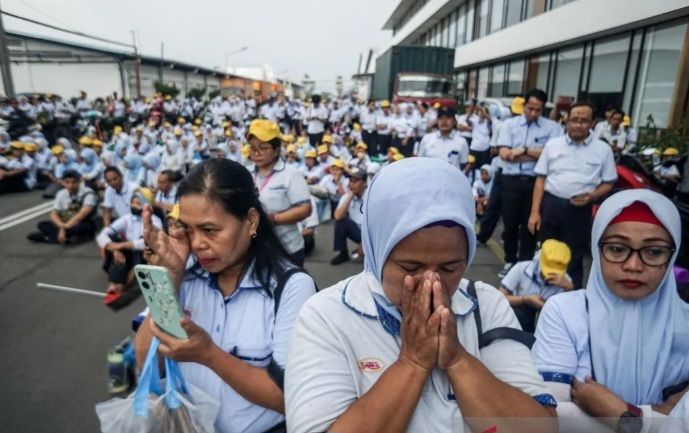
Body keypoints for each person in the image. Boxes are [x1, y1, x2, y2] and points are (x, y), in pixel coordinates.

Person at [285, 157, 557, 433]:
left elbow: (540, 427)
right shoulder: (326, 316)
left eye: (450, 267)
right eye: (411, 267)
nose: (430, 281)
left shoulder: (485, 305)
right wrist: (412, 363)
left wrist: (458, 360)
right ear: (377, 250)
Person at [136, 158, 317, 433]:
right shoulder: (186, 276)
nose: (197, 243)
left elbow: (289, 397)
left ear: (251, 221)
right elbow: (145, 359)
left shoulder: (291, 288)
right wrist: (170, 277)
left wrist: (209, 354)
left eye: (210, 230)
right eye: (188, 229)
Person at [532, 190, 688, 433]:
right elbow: (547, 418)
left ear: (672, 256)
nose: (633, 265)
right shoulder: (565, 312)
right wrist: (664, 415)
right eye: (617, 248)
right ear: (596, 248)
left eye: (654, 252)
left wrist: (621, 415)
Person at [529, 102, 617, 289]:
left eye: (584, 120)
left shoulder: (603, 150)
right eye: (574, 120)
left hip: (580, 209)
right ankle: (542, 294)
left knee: (574, 256)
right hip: (551, 205)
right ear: (566, 121)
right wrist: (534, 213)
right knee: (547, 251)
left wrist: (592, 196)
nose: (578, 124)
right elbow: (540, 180)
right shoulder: (553, 145)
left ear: (592, 123)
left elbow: (609, 182)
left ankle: (573, 296)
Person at [497, 88, 561, 278]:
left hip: (536, 182)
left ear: (543, 110)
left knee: (531, 225)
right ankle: (510, 260)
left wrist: (523, 150)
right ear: (524, 105)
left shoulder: (552, 128)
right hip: (510, 181)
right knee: (509, 223)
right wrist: (535, 154)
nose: (533, 113)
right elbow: (504, 154)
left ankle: (524, 264)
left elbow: (551, 155)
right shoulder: (509, 125)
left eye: (538, 110)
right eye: (530, 108)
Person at [249, 119, 312, 267]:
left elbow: (305, 209)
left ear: (277, 149)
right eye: (252, 148)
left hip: (287, 248)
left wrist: (272, 218)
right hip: (254, 249)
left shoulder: (291, 174)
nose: (256, 153)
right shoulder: (246, 173)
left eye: (263, 147)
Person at [97, 188, 162, 305]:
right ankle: (115, 282)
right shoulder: (127, 218)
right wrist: (114, 248)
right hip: (127, 251)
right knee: (113, 244)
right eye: (133, 202)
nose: (134, 206)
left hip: (142, 252)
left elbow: (148, 243)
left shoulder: (156, 221)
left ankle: (124, 285)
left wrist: (123, 245)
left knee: (143, 252)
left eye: (138, 204)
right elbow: (103, 234)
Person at [498, 239, 573, 333]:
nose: (552, 275)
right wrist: (525, 300)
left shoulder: (566, 282)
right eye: (549, 270)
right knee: (519, 314)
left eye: (557, 272)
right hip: (520, 316)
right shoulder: (521, 268)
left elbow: (569, 316)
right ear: (539, 259)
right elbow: (499, 298)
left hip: (548, 322)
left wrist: (570, 289)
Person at [27, 169, 97, 244]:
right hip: (65, 222)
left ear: (79, 181)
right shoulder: (61, 193)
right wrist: (62, 227)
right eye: (67, 182)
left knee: (81, 228)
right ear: (63, 182)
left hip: (82, 222)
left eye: (74, 182)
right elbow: (53, 214)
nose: (71, 185)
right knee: (41, 224)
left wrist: (63, 229)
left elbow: (80, 216)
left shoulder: (88, 193)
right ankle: (66, 237)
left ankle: (47, 238)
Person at [330, 167, 367, 266]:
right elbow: (337, 216)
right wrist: (350, 196)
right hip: (357, 230)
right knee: (341, 221)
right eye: (350, 181)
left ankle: (370, 249)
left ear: (365, 182)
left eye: (355, 181)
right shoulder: (347, 196)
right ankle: (343, 253)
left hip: (372, 233)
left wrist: (366, 241)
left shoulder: (371, 196)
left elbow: (378, 224)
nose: (351, 184)